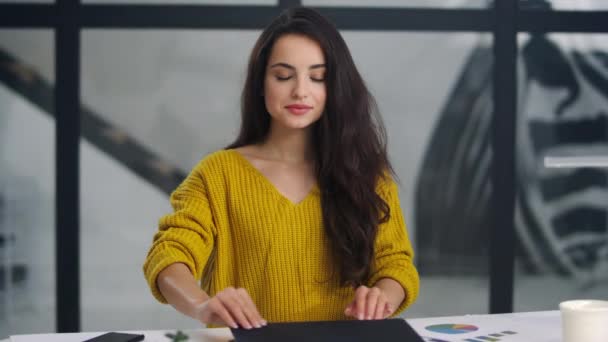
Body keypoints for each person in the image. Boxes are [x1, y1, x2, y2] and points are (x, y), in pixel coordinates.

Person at [143, 7, 419, 330]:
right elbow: (169, 254)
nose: (300, 91)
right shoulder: (217, 174)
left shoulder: (366, 173)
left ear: (335, 87)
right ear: (261, 83)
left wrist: (381, 296)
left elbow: (396, 264)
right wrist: (203, 305)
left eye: (317, 77)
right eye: (283, 76)